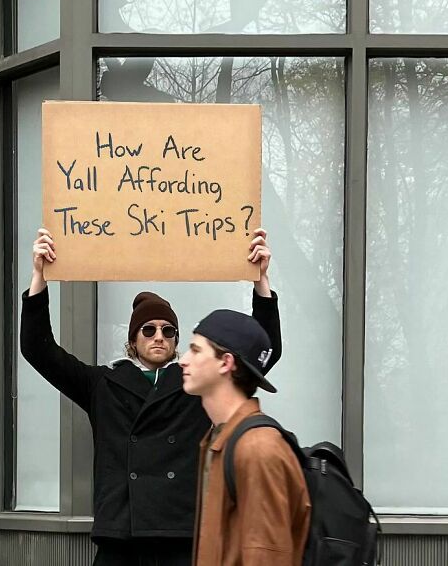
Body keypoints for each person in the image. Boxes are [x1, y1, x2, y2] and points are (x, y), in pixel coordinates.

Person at [20, 226, 282, 566]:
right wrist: (39, 276)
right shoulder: (103, 383)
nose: (159, 336)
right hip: (121, 539)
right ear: (133, 339)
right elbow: (39, 351)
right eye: (149, 329)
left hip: (180, 536)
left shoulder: (196, 383)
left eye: (168, 331)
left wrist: (260, 281)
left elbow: (262, 354)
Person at [179, 309, 310, 566]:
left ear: (226, 363)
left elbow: (267, 556)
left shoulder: (257, 448)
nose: (183, 360)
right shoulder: (219, 438)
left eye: (195, 350)